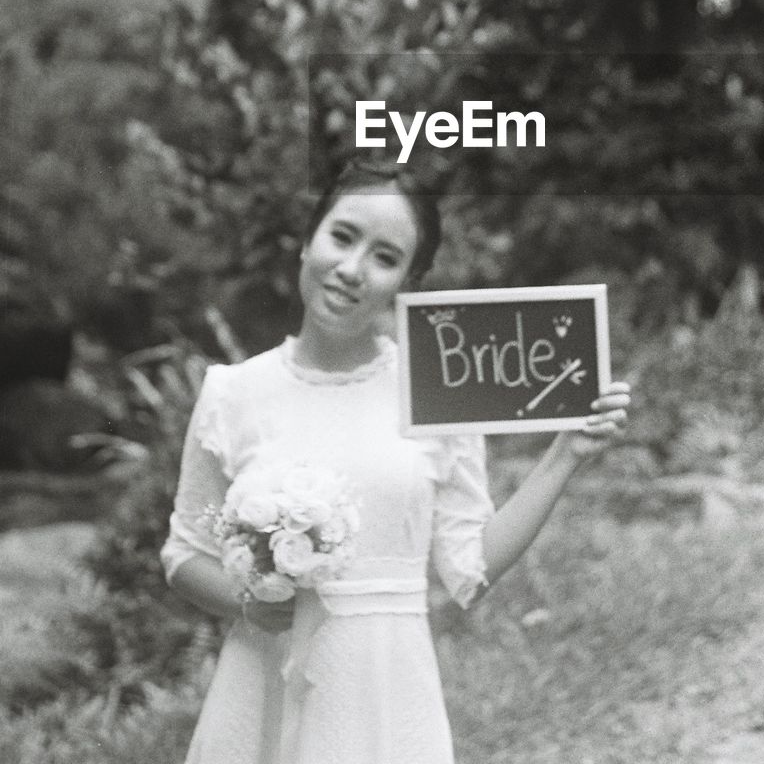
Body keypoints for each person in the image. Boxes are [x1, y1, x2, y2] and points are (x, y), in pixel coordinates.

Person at [161, 159, 631, 764]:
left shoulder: (436, 390)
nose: (352, 269)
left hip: (385, 694)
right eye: (342, 236)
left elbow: (469, 566)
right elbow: (183, 554)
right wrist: (250, 601)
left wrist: (565, 457)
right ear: (308, 240)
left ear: (408, 280)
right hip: (265, 692)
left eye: (385, 258)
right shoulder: (234, 393)